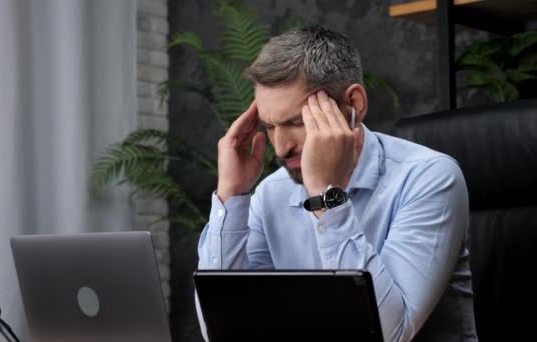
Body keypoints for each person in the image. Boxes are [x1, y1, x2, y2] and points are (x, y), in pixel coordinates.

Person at [196, 26, 477, 342]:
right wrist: (231, 195)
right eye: (270, 127)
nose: (281, 146)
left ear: (354, 104)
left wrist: (326, 197)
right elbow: (221, 329)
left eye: (296, 122)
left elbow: (389, 334)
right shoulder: (272, 193)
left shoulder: (430, 178)